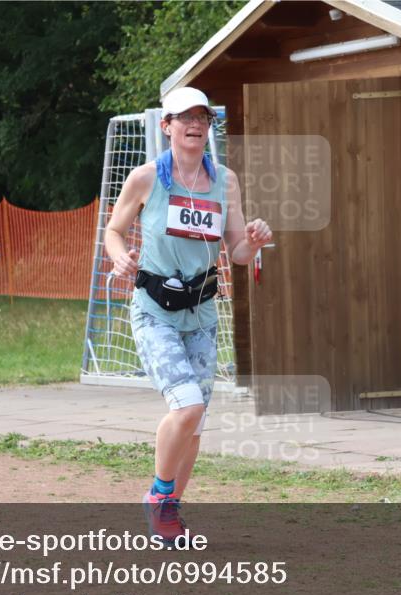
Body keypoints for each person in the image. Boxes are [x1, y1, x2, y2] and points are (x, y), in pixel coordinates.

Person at [104, 87, 273, 543]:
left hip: (201, 312)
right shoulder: (145, 178)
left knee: (194, 424)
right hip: (154, 310)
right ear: (168, 126)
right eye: (185, 118)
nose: (195, 124)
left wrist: (252, 242)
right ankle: (158, 496)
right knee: (188, 405)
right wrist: (120, 256)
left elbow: (235, 251)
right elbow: (114, 230)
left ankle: (169, 514)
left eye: (202, 117)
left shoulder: (226, 181)